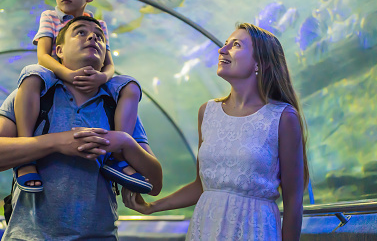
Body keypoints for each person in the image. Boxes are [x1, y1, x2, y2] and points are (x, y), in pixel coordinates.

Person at [0, 16, 163, 240]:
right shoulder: (33, 96)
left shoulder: (117, 107)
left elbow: (155, 184)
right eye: (80, 32)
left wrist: (124, 141)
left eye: (99, 37)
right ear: (59, 51)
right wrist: (57, 142)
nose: (92, 36)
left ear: (105, 58)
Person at [122, 23, 309, 241]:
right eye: (224, 44)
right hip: (206, 228)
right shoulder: (207, 112)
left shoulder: (283, 117)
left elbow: (294, 201)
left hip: (255, 230)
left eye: (236, 45)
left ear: (261, 63)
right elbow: (202, 185)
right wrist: (151, 207)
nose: (222, 50)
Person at [14, 0, 143, 191]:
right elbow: (43, 55)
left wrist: (103, 78)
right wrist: (66, 74)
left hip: (92, 78)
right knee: (31, 74)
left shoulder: (98, 25)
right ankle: (25, 153)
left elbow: (110, 64)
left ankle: (117, 153)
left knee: (129, 86)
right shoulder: (50, 17)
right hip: (56, 72)